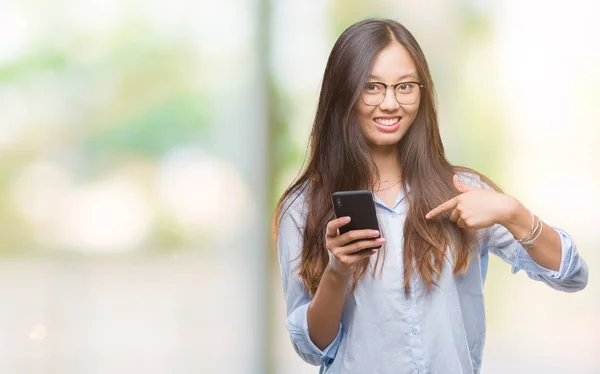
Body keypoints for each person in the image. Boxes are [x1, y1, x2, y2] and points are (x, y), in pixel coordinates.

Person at [273, 18, 588, 374]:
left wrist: (512, 213)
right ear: (343, 92)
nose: (390, 103)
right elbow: (312, 349)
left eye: (405, 87)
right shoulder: (304, 207)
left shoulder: (462, 190)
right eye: (372, 87)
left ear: (422, 93)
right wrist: (337, 271)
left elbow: (572, 276)